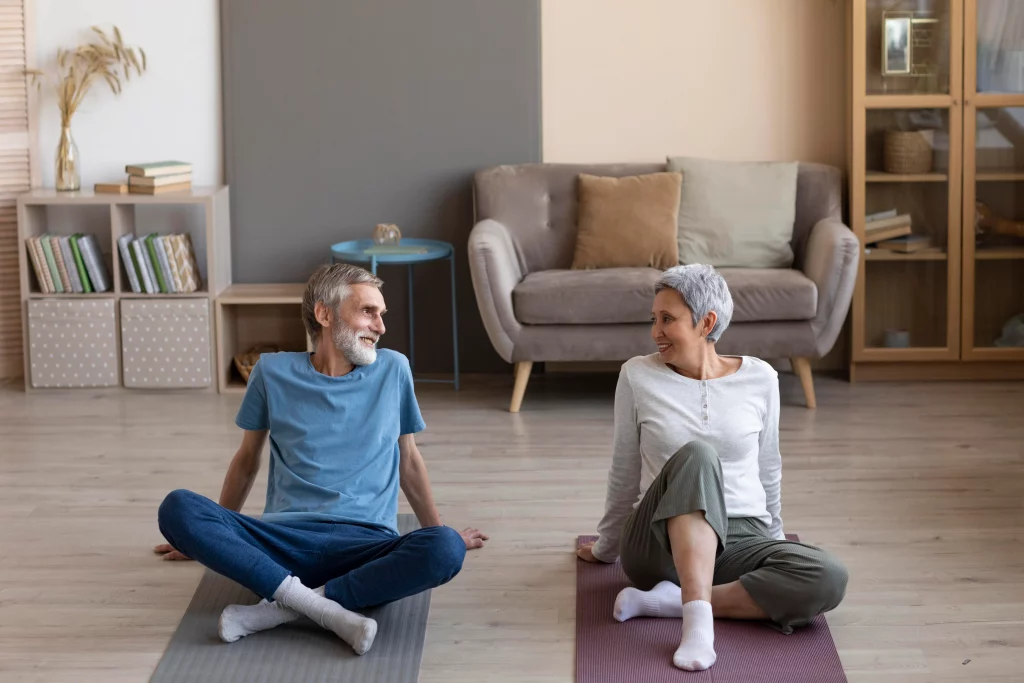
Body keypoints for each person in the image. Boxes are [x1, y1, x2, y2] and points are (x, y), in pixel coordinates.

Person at [154, 263, 487, 655]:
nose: (380, 326)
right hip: (281, 542)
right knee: (177, 508)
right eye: (368, 311)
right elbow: (246, 460)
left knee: (446, 548)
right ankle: (324, 605)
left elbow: (409, 461)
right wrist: (213, 536)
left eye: (381, 315)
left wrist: (437, 531)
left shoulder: (394, 370)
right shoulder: (271, 371)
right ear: (324, 314)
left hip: (364, 548)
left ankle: (283, 608)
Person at [577, 264, 847, 672]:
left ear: (707, 323)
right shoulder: (637, 375)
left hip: (739, 537)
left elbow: (769, 466)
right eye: (654, 319)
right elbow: (624, 467)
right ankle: (698, 626)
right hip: (658, 542)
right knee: (699, 455)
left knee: (828, 576)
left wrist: (774, 542)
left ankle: (673, 601)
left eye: (667, 319)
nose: (656, 332)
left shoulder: (761, 377)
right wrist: (606, 548)